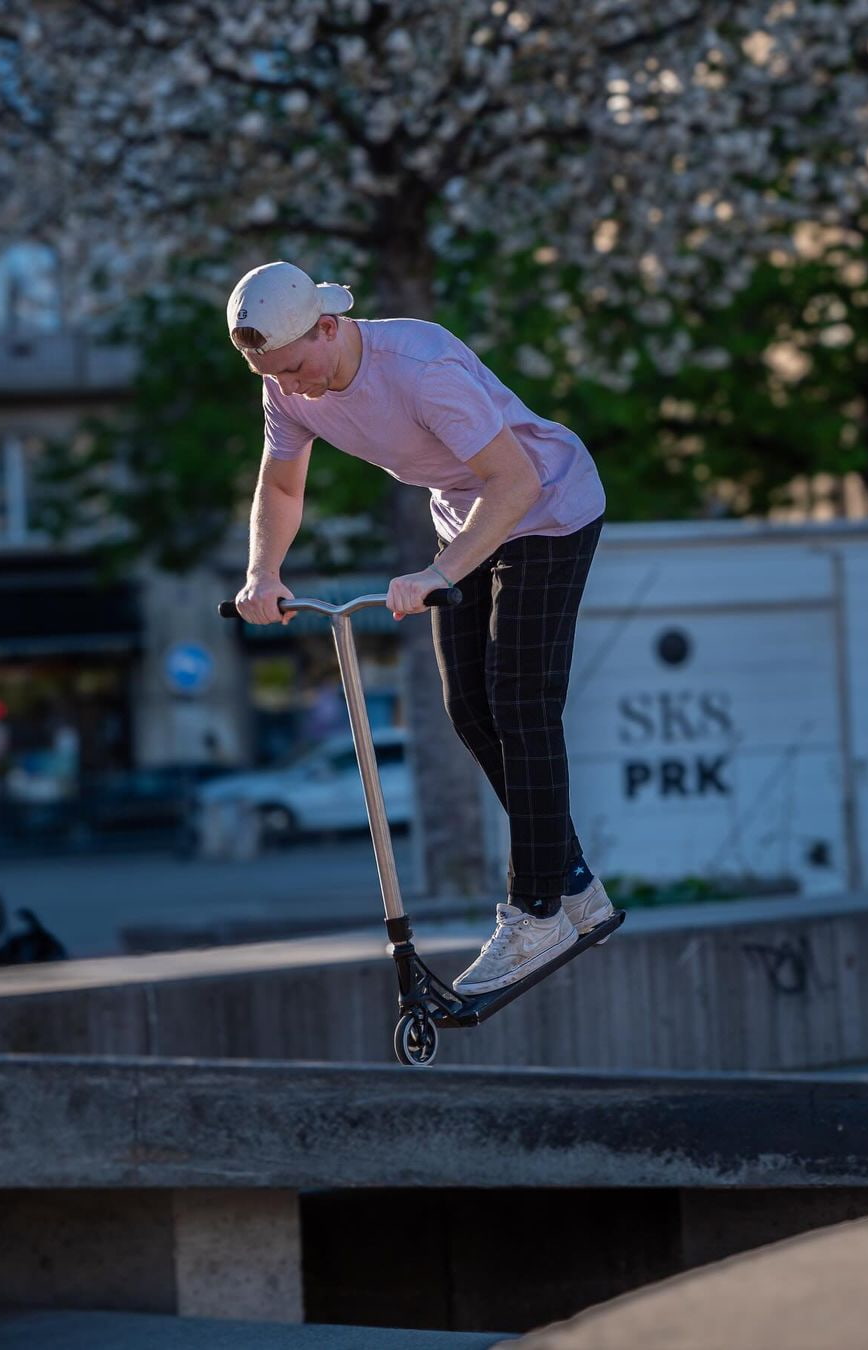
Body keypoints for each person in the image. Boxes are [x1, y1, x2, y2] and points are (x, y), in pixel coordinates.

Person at [227, 260, 615, 996]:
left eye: (297, 368)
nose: (291, 387)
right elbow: (280, 483)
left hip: (547, 508)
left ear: (329, 327)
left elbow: (516, 481)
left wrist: (439, 572)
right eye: (272, 376)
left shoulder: (420, 366)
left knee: (521, 702)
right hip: (470, 519)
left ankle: (537, 912)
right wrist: (263, 573)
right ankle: (572, 883)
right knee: (468, 708)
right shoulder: (284, 383)